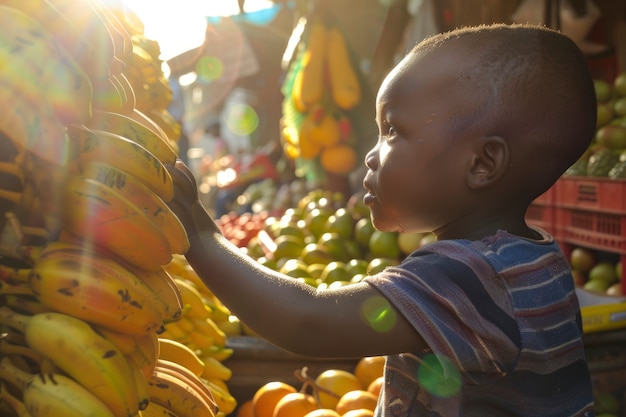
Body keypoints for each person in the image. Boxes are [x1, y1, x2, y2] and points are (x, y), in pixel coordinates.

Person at [166, 23, 597, 417]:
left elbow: (307, 322)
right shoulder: (532, 256)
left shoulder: (473, 277)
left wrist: (203, 238)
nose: (371, 154)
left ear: (482, 163)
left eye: (392, 130)